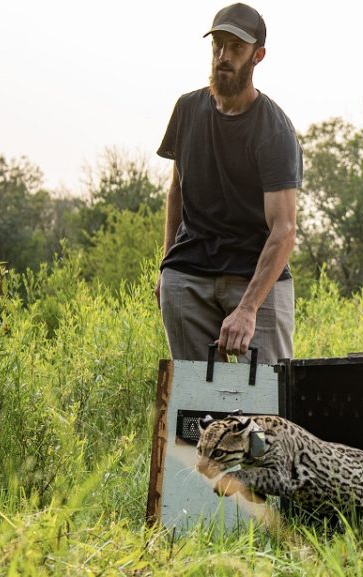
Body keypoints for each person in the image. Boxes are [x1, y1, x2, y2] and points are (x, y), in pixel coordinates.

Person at [155, 3, 302, 364]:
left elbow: (283, 229)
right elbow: (178, 190)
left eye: (236, 48)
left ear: (257, 56)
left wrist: (248, 308)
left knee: (271, 403)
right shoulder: (187, 110)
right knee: (197, 408)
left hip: (257, 280)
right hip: (189, 275)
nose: (223, 56)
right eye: (218, 45)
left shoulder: (275, 130)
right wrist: (167, 266)